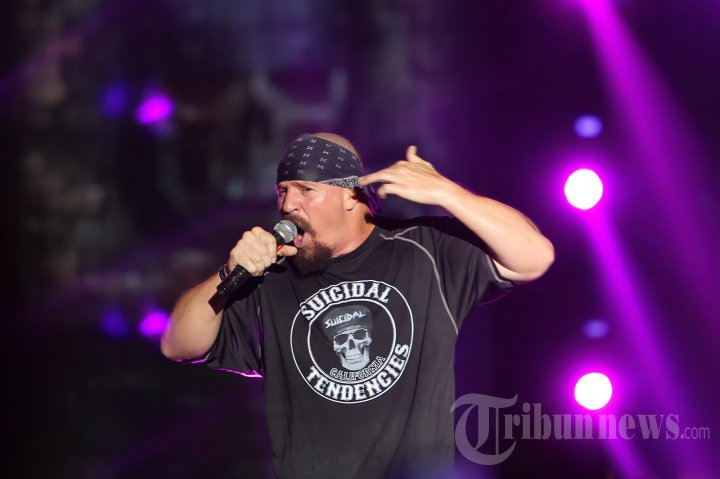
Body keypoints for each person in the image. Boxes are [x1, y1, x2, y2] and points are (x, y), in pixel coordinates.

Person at [161, 132, 554, 478]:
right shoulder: (270, 281)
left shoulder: (423, 250)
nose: (288, 204)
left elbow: (534, 257)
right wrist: (228, 273)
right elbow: (178, 344)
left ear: (350, 195)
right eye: (283, 191)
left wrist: (447, 194)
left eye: (305, 189)